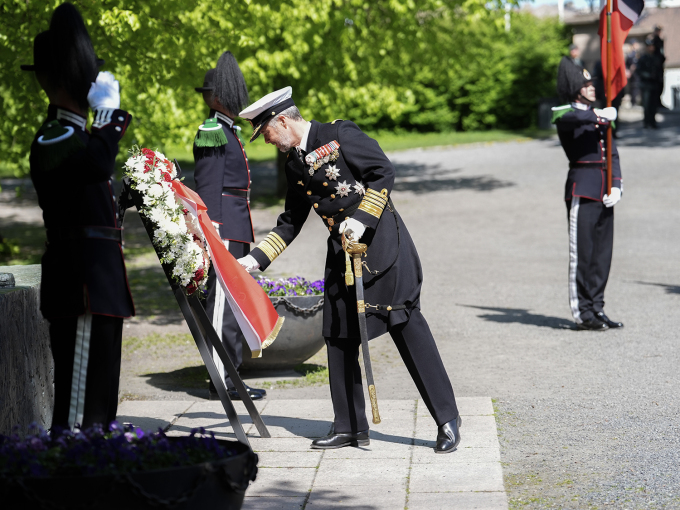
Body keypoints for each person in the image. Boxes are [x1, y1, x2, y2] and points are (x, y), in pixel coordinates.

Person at [236, 87, 462, 453]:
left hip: (382, 242)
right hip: (342, 252)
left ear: (282, 120)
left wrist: (361, 219)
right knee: (337, 334)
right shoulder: (294, 162)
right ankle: (350, 426)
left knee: (404, 324)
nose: (267, 141)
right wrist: (255, 259)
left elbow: (382, 172)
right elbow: (291, 221)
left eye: (266, 133)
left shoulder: (340, 135)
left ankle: (447, 418)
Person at [23, 3, 134, 430]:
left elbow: (91, 192)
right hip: (81, 285)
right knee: (77, 414)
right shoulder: (58, 135)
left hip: (97, 283)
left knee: (100, 408)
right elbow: (94, 167)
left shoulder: (78, 136)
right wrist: (108, 117)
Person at [192, 52, 265, 401]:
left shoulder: (225, 129)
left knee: (233, 304)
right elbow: (208, 189)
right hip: (225, 229)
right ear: (217, 96)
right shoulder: (211, 131)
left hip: (237, 226)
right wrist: (214, 229)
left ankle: (231, 374)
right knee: (221, 304)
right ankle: (221, 379)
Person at [552, 57, 624, 331]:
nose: (592, 87)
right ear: (575, 87)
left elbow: (612, 153)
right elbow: (571, 116)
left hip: (604, 189)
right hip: (582, 188)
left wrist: (617, 183)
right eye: (587, 84)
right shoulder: (566, 113)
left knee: (602, 254)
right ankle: (583, 312)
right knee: (582, 254)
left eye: (592, 83)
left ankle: (597, 307)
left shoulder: (599, 114)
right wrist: (599, 115)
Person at [637, 38, 664, 128]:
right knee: (646, 104)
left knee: (654, 104)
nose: (651, 48)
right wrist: (648, 75)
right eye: (650, 46)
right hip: (646, 85)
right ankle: (646, 122)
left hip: (654, 84)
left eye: (653, 46)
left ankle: (652, 122)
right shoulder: (643, 58)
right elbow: (639, 71)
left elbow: (660, 69)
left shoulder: (657, 57)